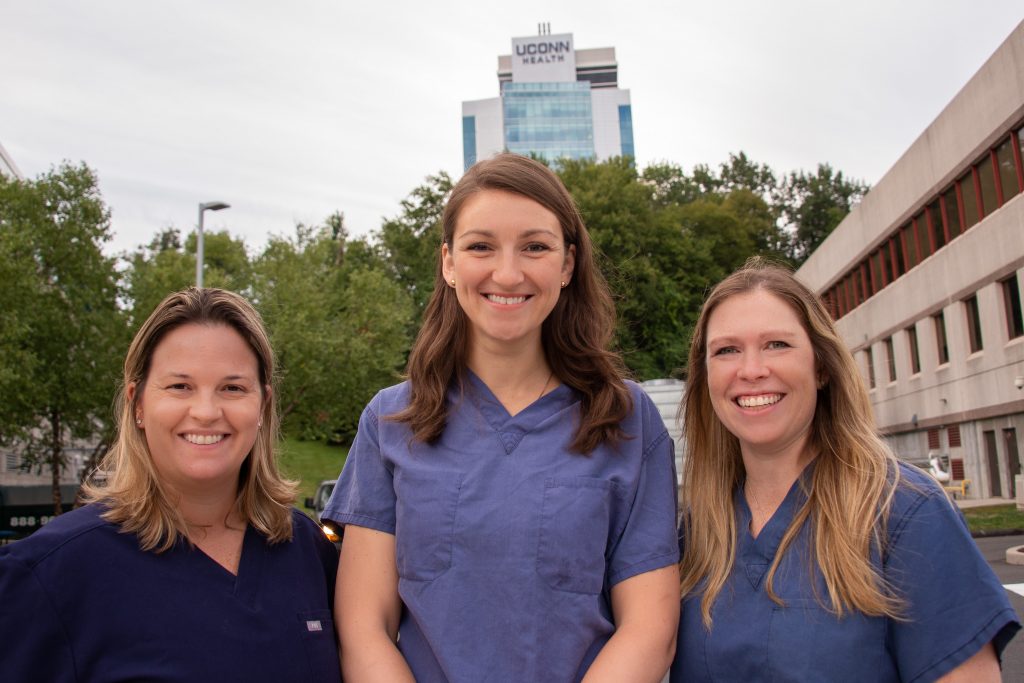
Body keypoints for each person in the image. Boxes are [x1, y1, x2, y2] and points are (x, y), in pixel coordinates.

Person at [324, 153, 680, 682]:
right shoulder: (390, 421)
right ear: (448, 263)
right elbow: (363, 626)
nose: (507, 273)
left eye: (535, 247)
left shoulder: (627, 421)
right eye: (480, 246)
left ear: (567, 265)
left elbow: (650, 629)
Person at [671, 257, 1020, 682]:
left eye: (777, 345)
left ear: (821, 367)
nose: (751, 370)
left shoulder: (905, 514)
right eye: (726, 350)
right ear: (705, 377)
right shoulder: (697, 533)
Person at [0, 288, 342, 682]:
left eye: (232, 388)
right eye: (180, 386)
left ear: (262, 404)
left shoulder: (307, 552)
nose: (206, 412)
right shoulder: (50, 575)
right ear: (138, 403)